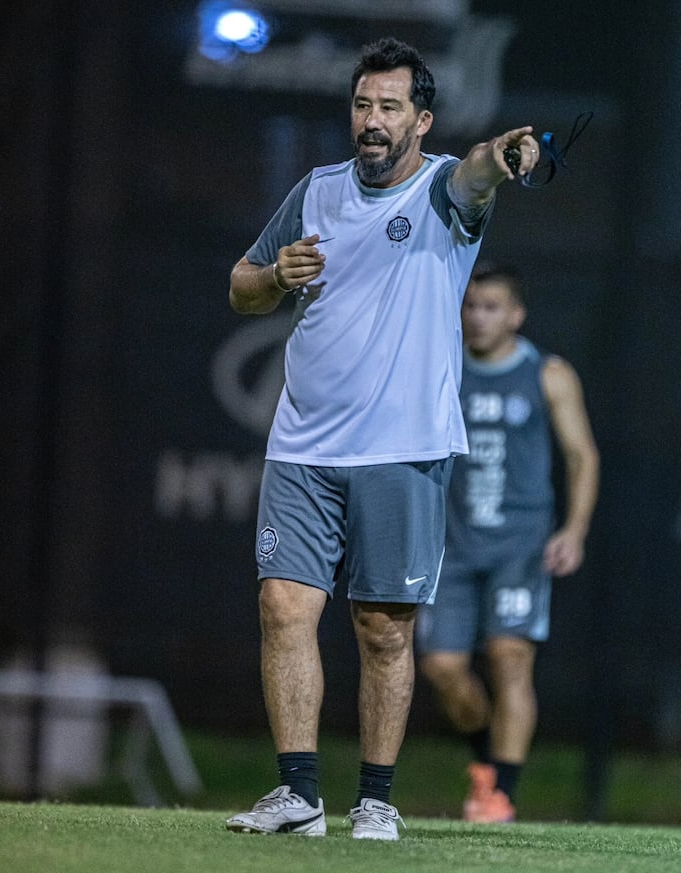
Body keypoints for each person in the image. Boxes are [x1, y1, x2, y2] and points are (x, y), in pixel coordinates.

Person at [225, 37, 540, 840]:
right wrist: (274, 277)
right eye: (363, 105)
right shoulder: (316, 191)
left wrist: (507, 152)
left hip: (402, 448)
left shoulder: (443, 191)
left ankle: (376, 798)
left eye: (390, 107)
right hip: (302, 446)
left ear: (420, 119)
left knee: (383, 627)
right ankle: (298, 795)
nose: (372, 121)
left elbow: (479, 167)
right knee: (282, 606)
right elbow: (242, 287)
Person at [416, 263, 600, 823]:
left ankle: (502, 794)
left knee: (509, 657)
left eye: (491, 307)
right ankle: (485, 761)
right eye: (471, 305)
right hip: (451, 545)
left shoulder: (548, 374)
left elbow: (581, 455)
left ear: (516, 315)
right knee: (443, 668)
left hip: (520, 545)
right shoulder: (442, 367)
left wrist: (574, 529)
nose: (478, 317)